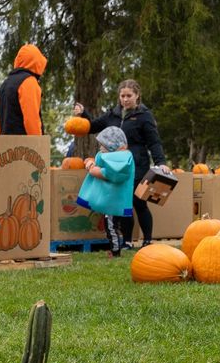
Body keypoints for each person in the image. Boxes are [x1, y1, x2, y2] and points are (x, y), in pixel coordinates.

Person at [72, 79, 168, 247]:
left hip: (137, 165)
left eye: (129, 95)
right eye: (122, 96)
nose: (125, 99)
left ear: (137, 96)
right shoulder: (113, 114)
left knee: (138, 202)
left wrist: (161, 162)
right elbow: (94, 126)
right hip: (116, 165)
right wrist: (83, 114)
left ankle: (147, 240)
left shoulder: (145, 116)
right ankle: (128, 241)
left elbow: (154, 142)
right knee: (123, 202)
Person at [74, 127, 135, 257]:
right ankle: (115, 249)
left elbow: (114, 173)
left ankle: (115, 252)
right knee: (111, 226)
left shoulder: (122, 160)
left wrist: (97, 171)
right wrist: (91, 162)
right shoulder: (111, 158)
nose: (101, 148)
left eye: (103, 146)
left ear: (112, 146)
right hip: (111, 200)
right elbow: (99, 162)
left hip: (115, 201)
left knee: (112, 227)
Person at [0, 44, 47, 136]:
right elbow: (31, 119)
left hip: (6, 144)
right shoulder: (29, 82)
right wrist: (38, 143)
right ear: (37, 62)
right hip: (24, 146)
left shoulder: (5, 83)